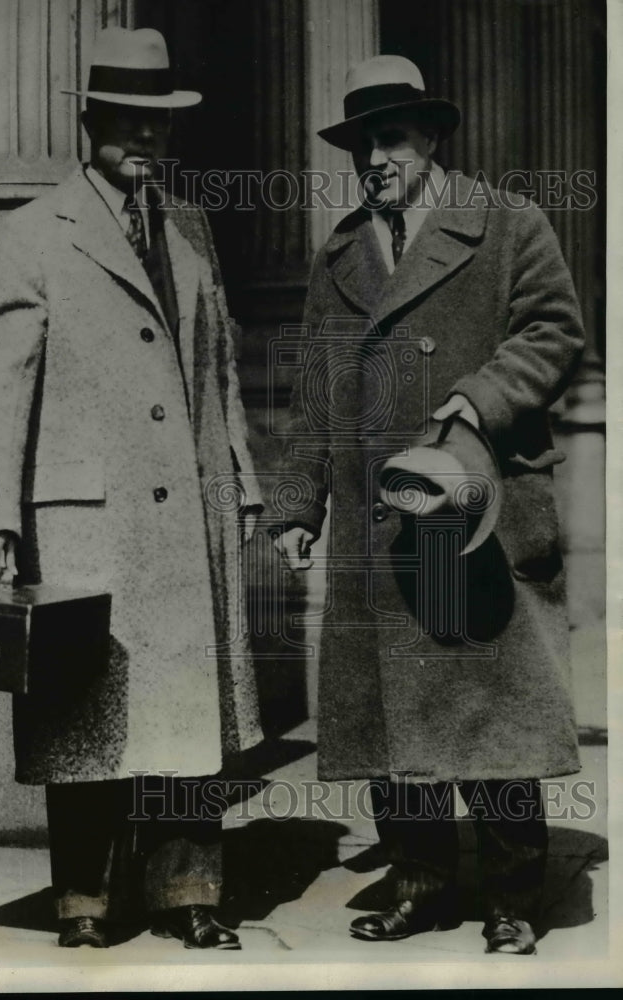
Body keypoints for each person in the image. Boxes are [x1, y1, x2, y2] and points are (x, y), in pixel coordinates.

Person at [273, 55, 584, 955]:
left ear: (432, 138)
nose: (374, 161)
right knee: (393, 714)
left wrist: (476, 400)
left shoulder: (506, 222)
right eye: (361, 146)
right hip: (380, 517)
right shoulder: (340, 253)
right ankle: (418, 883)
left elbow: (554, 330)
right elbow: (316, 394)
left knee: (494, 710)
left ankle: (513, 897)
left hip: (477, 507)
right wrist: (296, 505)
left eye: (391, 140)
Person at [0, 27, 263, 950]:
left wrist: (243, 479)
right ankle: (83, 901)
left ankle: (189, 893)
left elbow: (219, 367)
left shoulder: (190, 227)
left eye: (157, 123)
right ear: (88, 122)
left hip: (187, 512)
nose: (144, 137)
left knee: (183, 709)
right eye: (126, 120)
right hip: (86, 523)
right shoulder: (30, 234)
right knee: (86, 715)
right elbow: (1, 385)